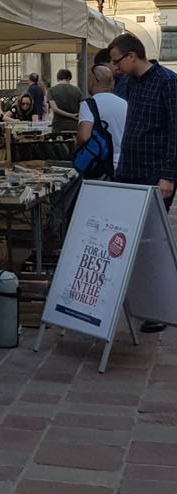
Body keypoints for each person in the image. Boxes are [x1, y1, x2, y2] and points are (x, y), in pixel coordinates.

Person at [109, 32, 177, 331]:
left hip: (155, 173)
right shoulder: (127, 84)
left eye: (116, 61)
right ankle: (132, 299)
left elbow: (176, 131)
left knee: (152, 242)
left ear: (132, 56)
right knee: (126, 239)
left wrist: (169, 174)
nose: (114, 67)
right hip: (129, 170)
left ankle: (157, 309)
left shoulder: (168, 82)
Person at [75, 64, 127, 174]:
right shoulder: (124, 104)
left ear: (93, 81)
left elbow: (84, 136)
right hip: (123, 163)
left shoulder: (88, 104)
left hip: (100, 165)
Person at [48, 68, 82, 134]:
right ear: (69, 78)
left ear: (58, 78)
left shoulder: (51, 90)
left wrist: (70, 115)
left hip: (58, 125)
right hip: (74, 124)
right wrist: (73, 116)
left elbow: (55, 109)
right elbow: (81, 107)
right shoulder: (77, 90)